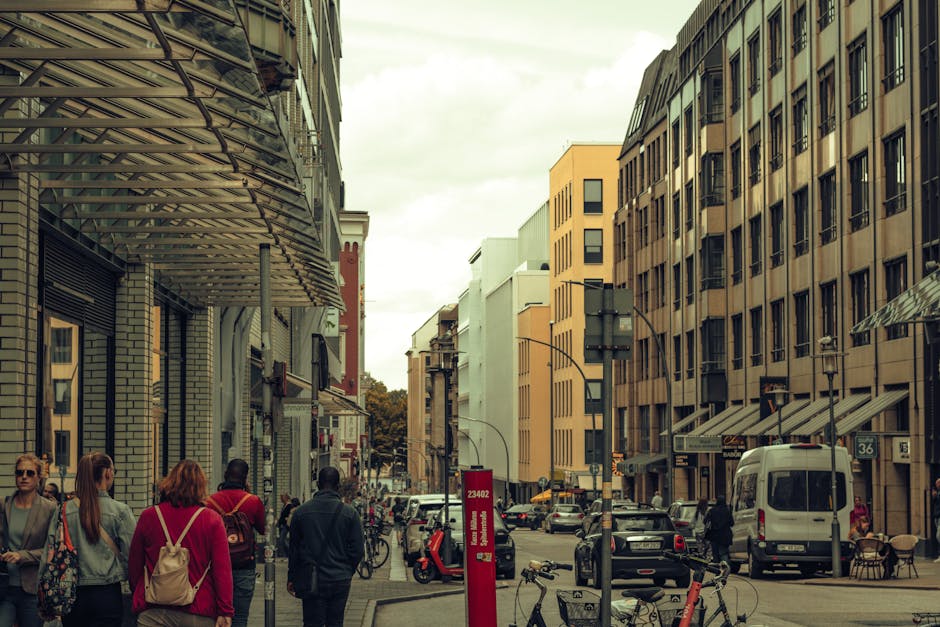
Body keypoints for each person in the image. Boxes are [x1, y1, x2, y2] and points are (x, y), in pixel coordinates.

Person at [129, 459, 233, 627]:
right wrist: (225, 610)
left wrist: (140, 592)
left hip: (154, 610)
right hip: (198, 609)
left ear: (169, 482)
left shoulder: (149, 516)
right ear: (201, 486)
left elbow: (135, 563)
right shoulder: (212, 520)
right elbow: (222, 570)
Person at [50, 452, 136, 627]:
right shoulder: (120, 511)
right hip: (107, 594)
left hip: (73, 594)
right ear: (108, 473)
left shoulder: (63, 510)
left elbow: (49, 553)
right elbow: (132, 555)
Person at [288, 467, 364, 627]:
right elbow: (357, 550)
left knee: (312, 623)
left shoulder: (301, 512)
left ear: (318, 484)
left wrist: (292, 577)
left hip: (311, 578)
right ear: (338, 486)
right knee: (335, 622)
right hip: (340, 578)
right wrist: (346, 570)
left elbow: (294, 549)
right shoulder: (350, 514)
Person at [0, 453, 57, 627]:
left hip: (33, 589)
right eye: (20, 472)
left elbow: (51, 550)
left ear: (39, 477)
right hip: (4, 587)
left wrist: (22, 556)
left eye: (30, 473)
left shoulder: (49, 509)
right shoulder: (3, 505)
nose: (24, 477)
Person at [206, 459, 264, 627]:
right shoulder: (253, 501)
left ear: (225, 475)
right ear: (245, 478)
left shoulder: (210, 502)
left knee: (215, 618)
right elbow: (262, 529)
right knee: (240, 619)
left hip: (215, 568)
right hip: (244, 566)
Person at [703, 494, 734, 565]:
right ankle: (725, 568)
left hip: (714, 535)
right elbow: (732, 523)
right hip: (725, 536)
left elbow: (705, 521)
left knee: (715, 554)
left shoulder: (712, 511)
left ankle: (717, 569)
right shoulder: (727, 511)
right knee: (724, 553)